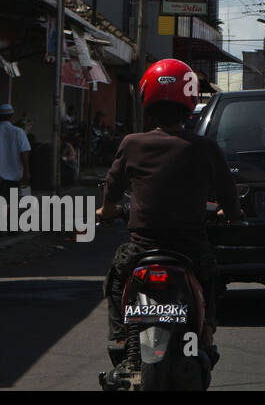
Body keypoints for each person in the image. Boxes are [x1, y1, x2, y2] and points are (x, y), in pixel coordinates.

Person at [97, 59, 241, 366]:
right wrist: (230, 215)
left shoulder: (132, 143)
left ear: (147, 99)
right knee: (210, 277)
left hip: (141, 249)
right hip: (190, 250)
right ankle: (207, 335)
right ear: (189, 102)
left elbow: (111, 189)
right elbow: (229, 197)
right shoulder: (205, 148)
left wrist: (108, 210)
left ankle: (121, 336)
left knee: (116, 282)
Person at [0, 104, 31, 199]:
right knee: (13, 205)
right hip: (14, 178)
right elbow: (24, 154)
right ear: (12, 117)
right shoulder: (19, 132)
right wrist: (27, 172)